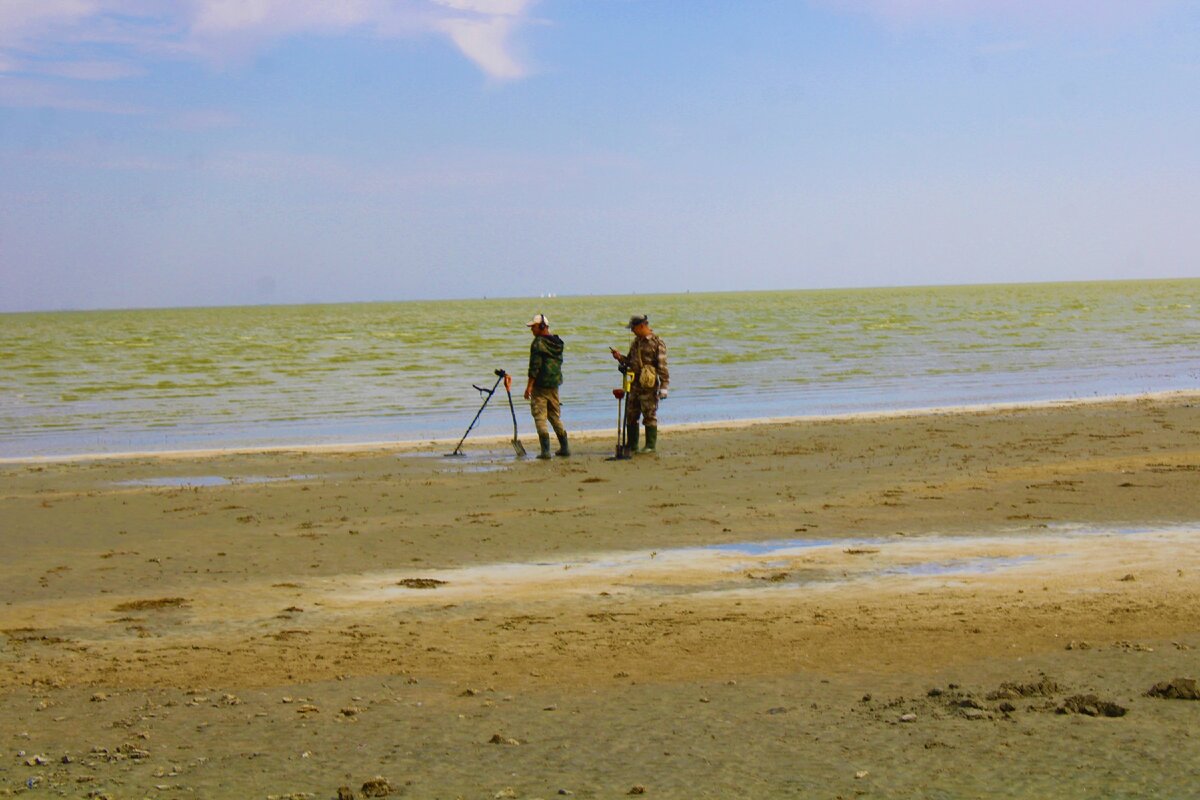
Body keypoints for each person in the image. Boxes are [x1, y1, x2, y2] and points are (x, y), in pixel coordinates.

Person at [609, 314, 669, 453]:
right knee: (631, 415)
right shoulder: (636, 342)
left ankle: (650, 446)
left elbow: (662, 367)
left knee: (649, 415)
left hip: (649, 385)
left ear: (642, 326)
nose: (632, 331)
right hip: (634, 385)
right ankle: (632, 445)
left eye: (634, 328)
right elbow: (630, 361)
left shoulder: (657, 343)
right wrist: (620, 358)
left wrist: (664, 387)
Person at [523, 313, 569, 459]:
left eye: (533, 327)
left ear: (542, 327)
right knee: (554, 416)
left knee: (539, 416)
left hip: (540, 385)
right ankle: (564, 447)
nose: (532, 330)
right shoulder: (558, 343)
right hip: (554, 384)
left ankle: (545, 451)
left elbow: (534, 367)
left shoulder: (538, 343)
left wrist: (529, 386)